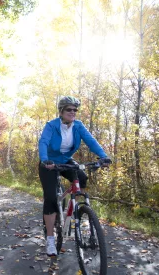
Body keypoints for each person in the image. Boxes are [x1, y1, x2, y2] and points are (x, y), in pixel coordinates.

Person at [38, 96, 112, 256]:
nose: (72, 112)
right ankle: (50, 239)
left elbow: (91, 141)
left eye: (74, 110)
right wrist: (45, 160)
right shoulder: (51, 126)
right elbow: (43, 142)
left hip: (65, 161)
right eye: (69, 109)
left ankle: (75, 210)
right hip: (49, 163)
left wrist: (103, 156)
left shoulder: (78, 126)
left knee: (82, 178)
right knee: (50, 198)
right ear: (61, 111)